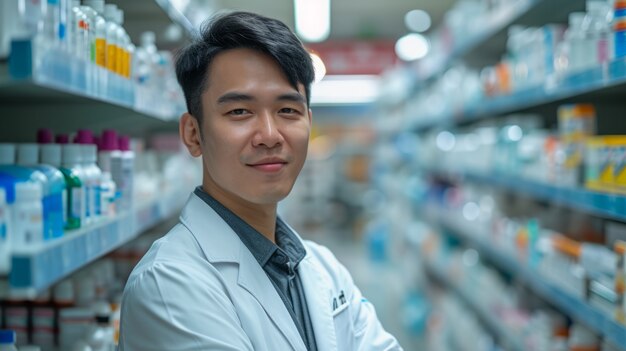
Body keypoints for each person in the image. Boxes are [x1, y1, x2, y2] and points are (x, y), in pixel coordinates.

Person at [118, 11, 402, 351]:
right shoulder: (168, 283)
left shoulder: (323, 267)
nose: (270, 136)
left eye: (288, 111)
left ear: (308, 123)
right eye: (239, 111)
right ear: (193, 134)